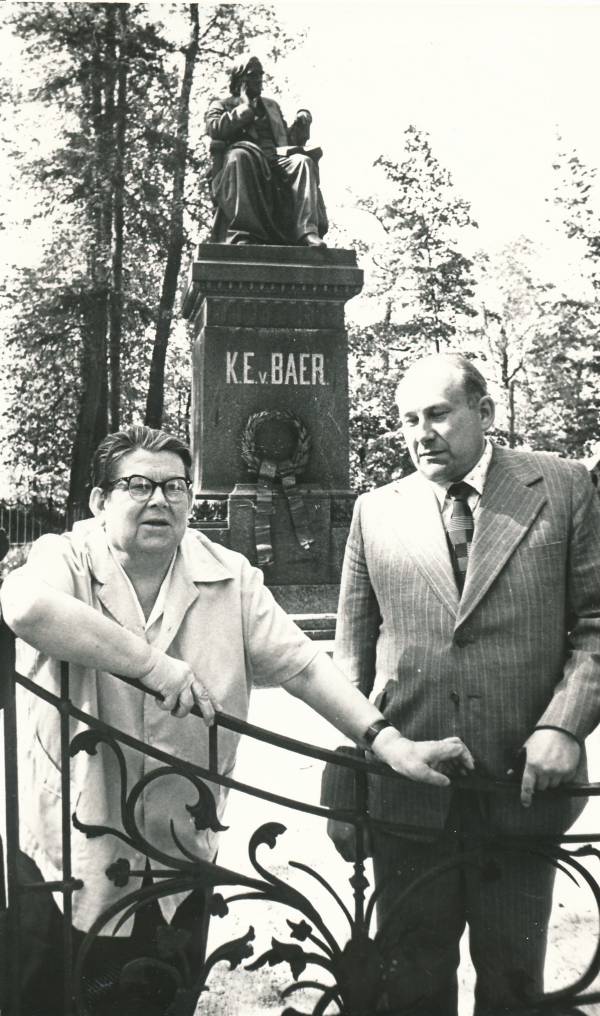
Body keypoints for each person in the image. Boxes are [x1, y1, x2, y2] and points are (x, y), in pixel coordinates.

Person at [0, 424, 473, 1016]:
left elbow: (304, 668)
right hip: (65, 851)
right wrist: (155, 668)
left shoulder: (229, 575)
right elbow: (23, 606)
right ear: (100, 501)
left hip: (178, 846)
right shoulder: (64, 557)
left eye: (176, 487)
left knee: (159, 1001)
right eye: (139, 485)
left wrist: (387, 741)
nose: (160, 501)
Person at [327, 353, 600, 1016]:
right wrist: (354, 769)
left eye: (438, 414)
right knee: (410, 987)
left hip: (521, 787)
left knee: (513, 987)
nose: (421, 433)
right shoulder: (375, 511)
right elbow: (351, 659)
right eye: (408, 420)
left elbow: (596, 626)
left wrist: (563, 725)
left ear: (484, 412)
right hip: (406, 797)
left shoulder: (562, 488)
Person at [205, 55, 328, 246]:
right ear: (240, 80)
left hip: (276, 159)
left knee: (303, 162)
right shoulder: (222, 105)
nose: (259, 80)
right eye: (253, 75)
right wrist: (245, 108)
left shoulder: (271, 106)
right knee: (240, 156)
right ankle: (244, 232)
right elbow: (215, 129)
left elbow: (286, 139)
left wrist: (301, 124)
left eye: (261, 75)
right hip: (247, 159)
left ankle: (306, 231)